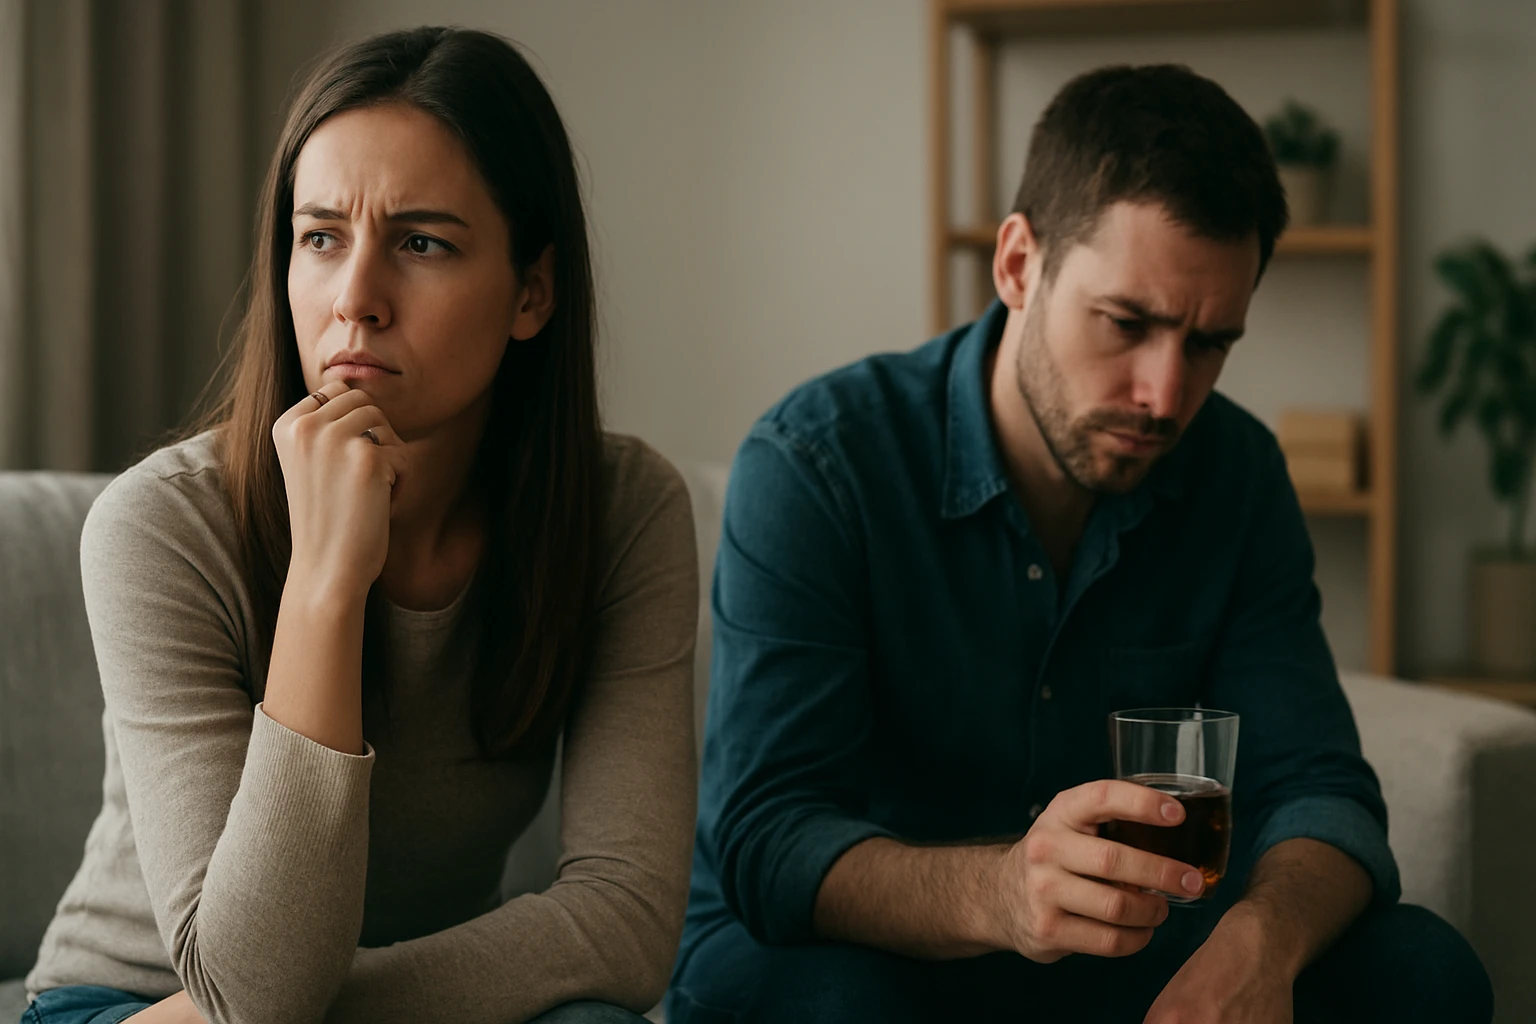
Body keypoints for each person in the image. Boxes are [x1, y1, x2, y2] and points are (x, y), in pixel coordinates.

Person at [669, 65, 1494, 1023]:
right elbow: (769, 838)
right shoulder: (819, 464)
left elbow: (1320, 787)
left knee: (1423, 969)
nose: (1165, 396)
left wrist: (1260, 942)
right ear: (1019, 264)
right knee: (842, 1009)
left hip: (1119, 948)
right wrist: (1003, 892)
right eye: (1127, 323)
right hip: (857, 952)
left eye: (1210, 343)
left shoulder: (1237, 473)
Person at [21, 27, 698, 1024]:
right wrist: (325, 582)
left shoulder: (623, 512)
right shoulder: (160, 528)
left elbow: (625, 922)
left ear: (532, 292)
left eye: (422, 243)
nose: (356, 301)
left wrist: (285, 1011)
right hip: (133, 999)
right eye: (321, 236)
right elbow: (254, 985)